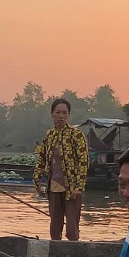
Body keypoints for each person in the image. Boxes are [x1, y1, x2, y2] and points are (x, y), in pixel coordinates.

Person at [33, 98, 89, 241]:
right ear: (52, 114)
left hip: (71, 187)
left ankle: (73, 254)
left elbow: (83, 161)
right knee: (55, 227)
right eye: (58, 112)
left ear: (68, 115)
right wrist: (37, 182)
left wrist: (79, 186)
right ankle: (55, 252)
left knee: (71, 230)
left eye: (64, 113)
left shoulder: (76, 135)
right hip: (54, 186)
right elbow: (42, 159)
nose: (61, 116)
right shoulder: (49, 135)